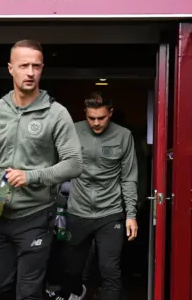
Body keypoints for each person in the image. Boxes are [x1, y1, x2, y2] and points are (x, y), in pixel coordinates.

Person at [0, 39, 83, 300]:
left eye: (36, 66)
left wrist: (31, 176)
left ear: (42, 69)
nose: (30, 72)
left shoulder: (56, 113)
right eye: (24, 65)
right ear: (11, 68)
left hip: (35, 216)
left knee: (29, 293)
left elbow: (74, 163)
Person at [53, 92, 139, 300]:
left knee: (110, 271)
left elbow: (128, 178)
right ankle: (76, 292)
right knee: (71, 270)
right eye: (91, 118)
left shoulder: (124, 136)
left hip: (110, 213)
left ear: (110, 113)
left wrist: (131, 214)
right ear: (85, 113)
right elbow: (58, 169)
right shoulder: (72, 131)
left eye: (101, 118)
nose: (96, 123)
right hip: (77, 211)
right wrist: (55, 206)